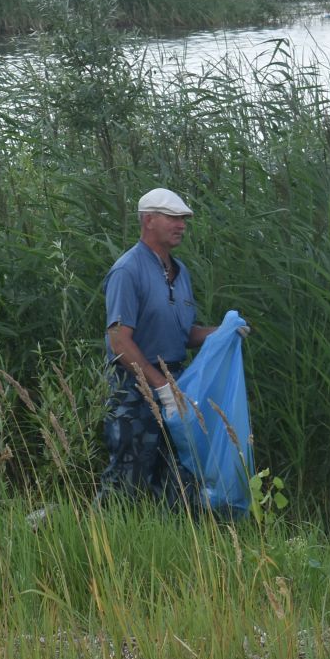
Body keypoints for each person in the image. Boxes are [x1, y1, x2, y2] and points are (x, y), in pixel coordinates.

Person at [99, 187, 244, 504]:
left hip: (177, 386)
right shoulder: (128, 270)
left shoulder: (181, 273)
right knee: (128, 480)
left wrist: (224, 332)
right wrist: (161, 387)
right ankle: (98, 543)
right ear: (148, 220)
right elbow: (119, 339)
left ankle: (168, 546)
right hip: (134, 389)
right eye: (173, 218)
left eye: (183, 220)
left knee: (176, 480)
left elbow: (183, 335)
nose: (181, 225)